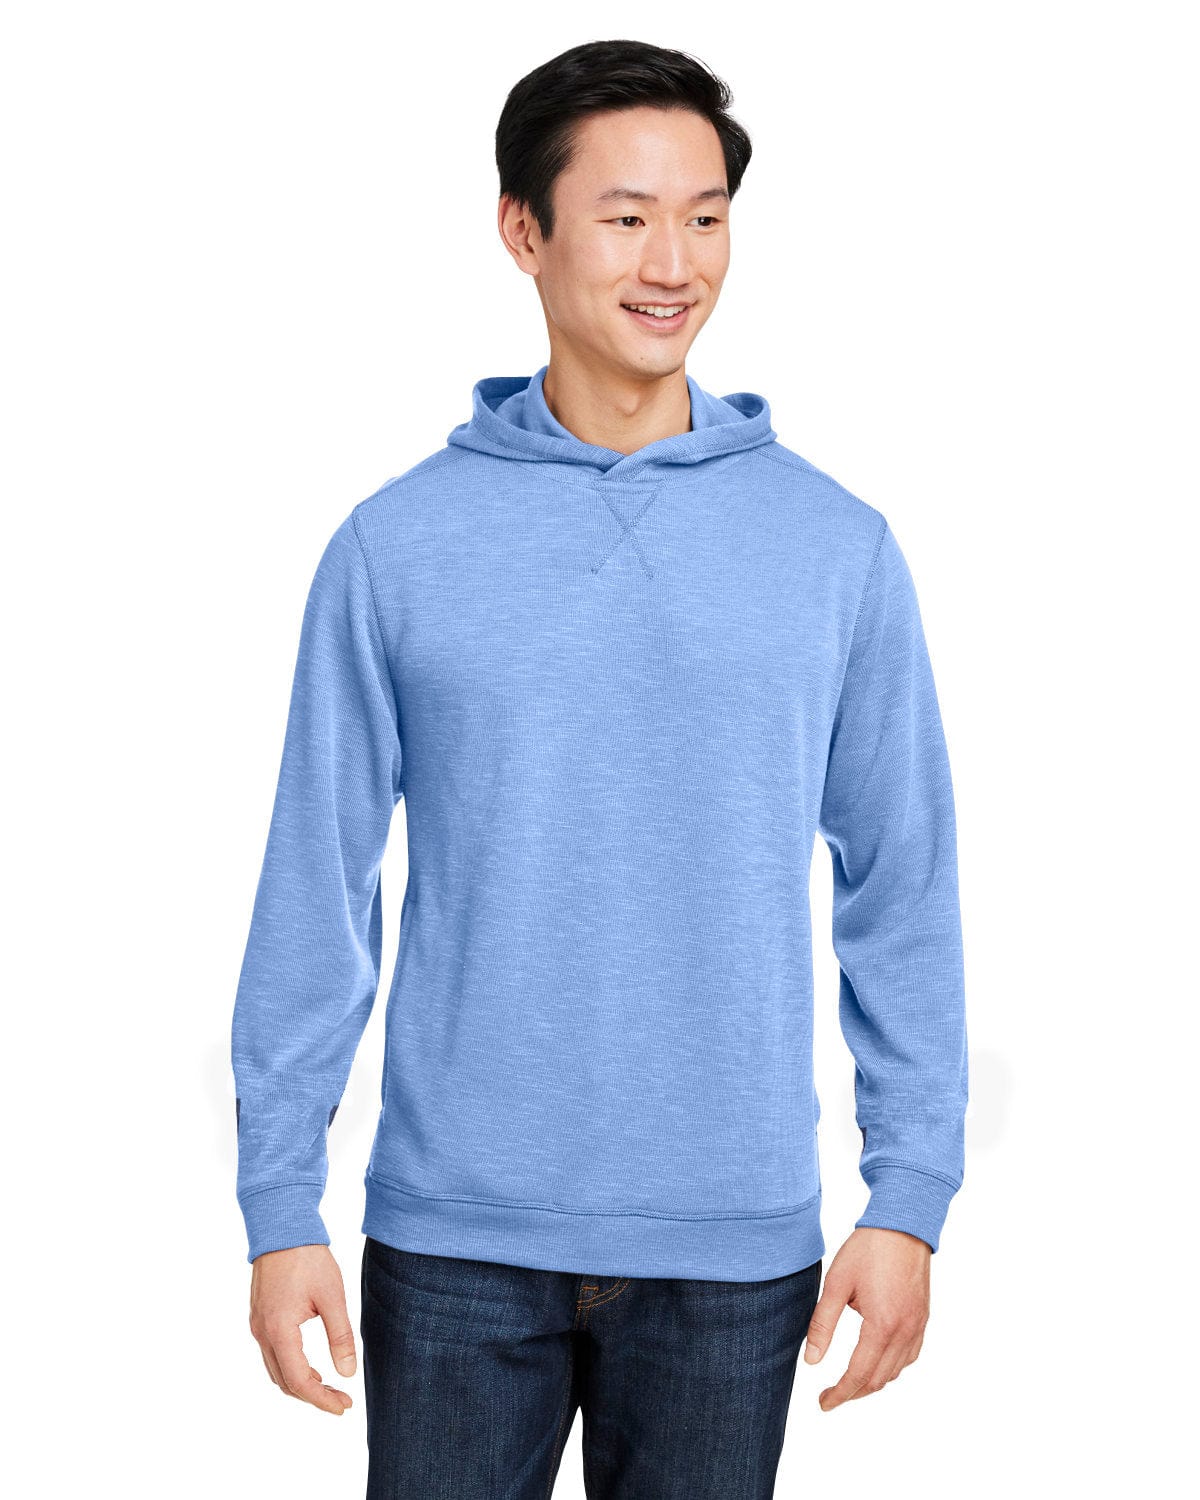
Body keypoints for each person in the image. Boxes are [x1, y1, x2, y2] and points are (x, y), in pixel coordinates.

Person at [231, 36, 969, 1500]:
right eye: (626, 216)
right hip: (452, 1239)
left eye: (705, 217)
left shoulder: (836, 549)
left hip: (733, 1245)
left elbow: (903, 884)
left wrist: (912, 1194)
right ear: (524, 229)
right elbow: (318, 883)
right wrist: (277, 1199)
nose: (672, 263)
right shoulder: (395, 545)